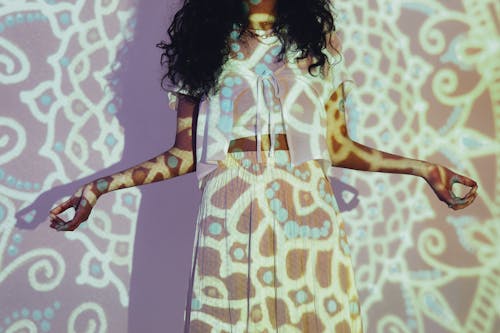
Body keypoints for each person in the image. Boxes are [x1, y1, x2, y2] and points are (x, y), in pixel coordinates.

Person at [49, 0, 478, 331]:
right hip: (229, 205)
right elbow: (183, 155)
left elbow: (338, 146)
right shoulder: (204, 46)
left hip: (307, 203)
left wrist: (424, 169)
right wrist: (99, 188)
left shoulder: (317, 43)